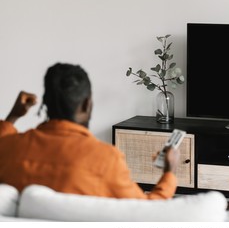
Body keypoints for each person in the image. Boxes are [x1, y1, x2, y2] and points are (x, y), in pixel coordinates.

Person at [0, 62, 179, 199]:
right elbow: (145, 213)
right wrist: (169, 172)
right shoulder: (106, 160)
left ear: (45, 103)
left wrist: (13, 116)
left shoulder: (10, 149)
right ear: (87, 104)